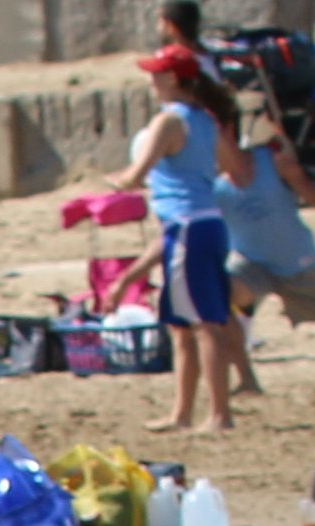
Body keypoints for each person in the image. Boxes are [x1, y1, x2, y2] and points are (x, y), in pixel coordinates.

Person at [108, 46, 241, 432]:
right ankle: (182, 413)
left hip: (187, 224)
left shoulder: (169, 121)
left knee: (203, 324)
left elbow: (135, 176)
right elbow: (231, 167)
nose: (151, 81)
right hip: (205, 222)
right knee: (182, 326)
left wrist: (110, 183)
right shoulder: (205, 120)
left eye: (156, 74)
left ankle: (219, 414)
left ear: (172, 78)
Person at [215, 106, 315, 382]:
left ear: (229, 131)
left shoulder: (273, 162)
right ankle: (247, 379)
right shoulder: (210, 185)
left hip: (297, 262)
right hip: (251, 264)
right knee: (219, 297)